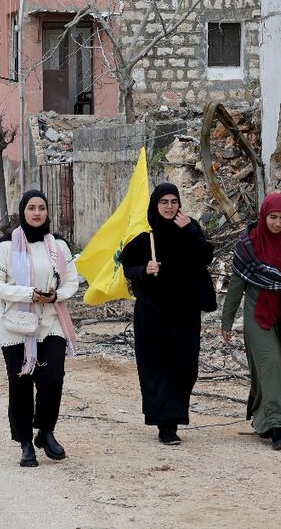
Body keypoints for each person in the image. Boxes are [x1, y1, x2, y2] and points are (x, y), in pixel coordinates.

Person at [0, 190, 79, 468]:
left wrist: (55, 296)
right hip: (16, 325)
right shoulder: (5, 247)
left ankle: (45, 431)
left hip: (51, 321)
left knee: (53, 377)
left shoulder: (58, 246)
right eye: (32, 208)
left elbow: (72, 281)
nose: (37, 213)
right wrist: (29, 293)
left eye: (42, 208)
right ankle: (25, 442)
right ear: (22, 212)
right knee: (21, 382)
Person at [221, 193, 281, 451]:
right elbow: (236, 285)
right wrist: (226, 321)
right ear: (263, 216)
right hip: (258, 314)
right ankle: (279, 429)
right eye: (272, 217)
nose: (277, 223)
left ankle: (262, 417)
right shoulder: (248, 246)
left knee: (278, 369)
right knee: (270, 364)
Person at [119, 183, 216, 446]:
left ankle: (175, 414)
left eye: (174, 201)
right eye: (164, 202)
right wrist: (144, 270)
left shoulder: (188, 227)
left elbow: (206, 255)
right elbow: (127, 266)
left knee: (185, 366)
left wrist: (190, 230)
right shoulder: (144, 233)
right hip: (152, 312)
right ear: (155, 205)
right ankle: (166, 424)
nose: (170, 206)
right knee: (157, 367)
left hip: (185, 311)